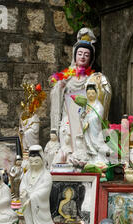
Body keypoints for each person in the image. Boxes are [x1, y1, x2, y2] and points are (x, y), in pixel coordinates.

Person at [49, 28, 111, 162]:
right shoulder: (66, 78)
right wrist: (59, 87)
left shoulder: (93, 78)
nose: (82, 57)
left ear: (91, 59)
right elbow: (56, 95)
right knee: (67, 134)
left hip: (85, 115)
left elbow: (100, 96)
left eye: (86, 55)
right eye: (80, 54)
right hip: (68, 116)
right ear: (75, 56)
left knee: (86, 133)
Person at [20, 145, 65, 224]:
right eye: (31, 161)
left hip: (39, 208)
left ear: (42, 161)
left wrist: (32, 197)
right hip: (28, 207)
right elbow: (23, 186)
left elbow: (44, 190)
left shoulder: (46, 175)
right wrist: (23, 193)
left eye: (36, 161)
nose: (34, 164)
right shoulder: (27, 174)